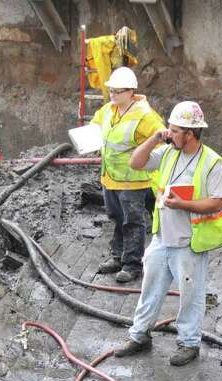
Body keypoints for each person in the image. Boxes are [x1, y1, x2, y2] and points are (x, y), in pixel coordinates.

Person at [113, 101, 222, 367]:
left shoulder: (212, 162)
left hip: (189, 241)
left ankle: (189, 343)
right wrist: (155, 138)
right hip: (161, 237)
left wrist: (183, 204)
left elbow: (217, 202)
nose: (169, 133)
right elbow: (136, 161)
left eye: (174, 130)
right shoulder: (168, 153)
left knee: (191, 294)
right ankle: (139, 335)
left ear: (191, 133)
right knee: (150, 288)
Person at [90, 66, 166, 284]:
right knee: (116, 218)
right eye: (111, 91)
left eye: (117, 91)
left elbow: (161, 137)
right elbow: (95, 127)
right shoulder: (108, 110)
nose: (112, 94)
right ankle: (118, 256)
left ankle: (132, 264)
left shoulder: (144, 116)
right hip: (110, 177)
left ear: (130, 92)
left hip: (133, 180)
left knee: (133, 221)